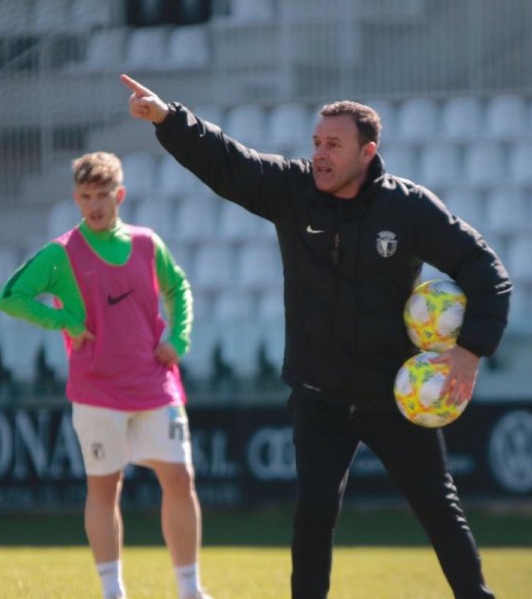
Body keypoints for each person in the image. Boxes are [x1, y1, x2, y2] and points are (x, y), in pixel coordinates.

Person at [121, 74, 511, 599]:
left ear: (368, 151)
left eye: (334, 145)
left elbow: (485, 268)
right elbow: (229, 162)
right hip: (318, 394)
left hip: (392, 392)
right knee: (313, 517)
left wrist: (470, 351)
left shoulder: (410, 208)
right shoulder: (293, 190)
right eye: (316, 143)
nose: (320, 155)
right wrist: (169, 119)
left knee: (439, 509)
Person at [0, 151, 210, 599]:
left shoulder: (148, 243)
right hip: (96, 391)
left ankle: (190, 590)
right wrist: (63, 321)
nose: (94, 205)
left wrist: (180, 338)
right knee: (105, 486)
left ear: (120, 195)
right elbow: (10, 296)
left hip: (155, 384)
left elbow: (179, 288)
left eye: (103, 195)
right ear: (76, 197)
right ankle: (113, 591)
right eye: (86, 196)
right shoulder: (61, 252)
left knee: (180, 480)